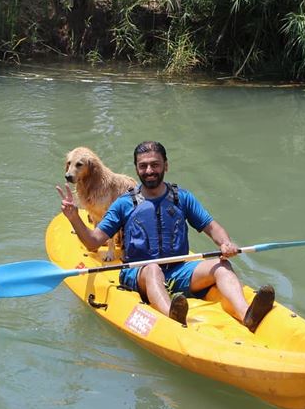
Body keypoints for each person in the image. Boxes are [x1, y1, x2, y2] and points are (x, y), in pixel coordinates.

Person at [56, 141, 274, 330]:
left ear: (165, 166)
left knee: (221, 265)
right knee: (152, 269)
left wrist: (225, 243)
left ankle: (247, 315)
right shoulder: (124, 203)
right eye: (143, 166)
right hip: (138, 272)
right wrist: (74, 217)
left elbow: (211, 227)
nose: (149, 170)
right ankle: (172, 315)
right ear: (137, 169)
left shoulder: (182, 198)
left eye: (155, 164)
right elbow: (94, 242)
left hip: (179, 269)